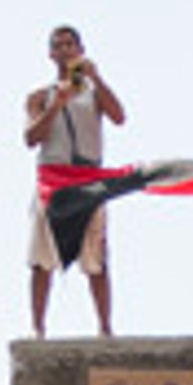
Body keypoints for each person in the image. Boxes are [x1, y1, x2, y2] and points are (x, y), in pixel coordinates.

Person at [26, 24, 125, 339]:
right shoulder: (40, 96)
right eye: (59, 45)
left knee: (96, 255)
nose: (65, 50)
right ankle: (38, 327)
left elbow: (119, 117)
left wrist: (96, 78)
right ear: (51, 54)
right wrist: (55, 105)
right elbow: (31, 137)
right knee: (42, 256)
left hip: (87, 177)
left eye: (70, 44)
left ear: (80, 50)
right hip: (53, 178)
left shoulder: (92, 93)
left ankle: (105, 327)